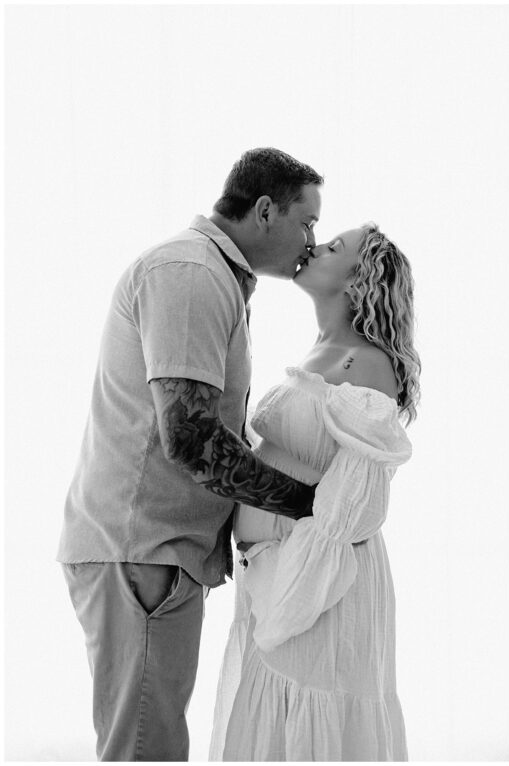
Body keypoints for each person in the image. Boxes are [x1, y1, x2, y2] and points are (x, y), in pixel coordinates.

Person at [58, 147, 325, 760]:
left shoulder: (208, 274)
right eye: (306, 222)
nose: (312, 240)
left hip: (151, 552)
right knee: (146, 750)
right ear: (264, 211)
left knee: (151, 741)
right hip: (144, 552)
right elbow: (192, 439)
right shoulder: (191, 273)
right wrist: (310, 504)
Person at [209, 223, 420, 761]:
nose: (314, 245)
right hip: (275, 573)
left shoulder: (366, 362)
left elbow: (355, 504)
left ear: (358, 280)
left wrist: (293, 582)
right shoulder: (321, 350)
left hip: (321, 584)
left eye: (333, 247)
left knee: (313, 729)